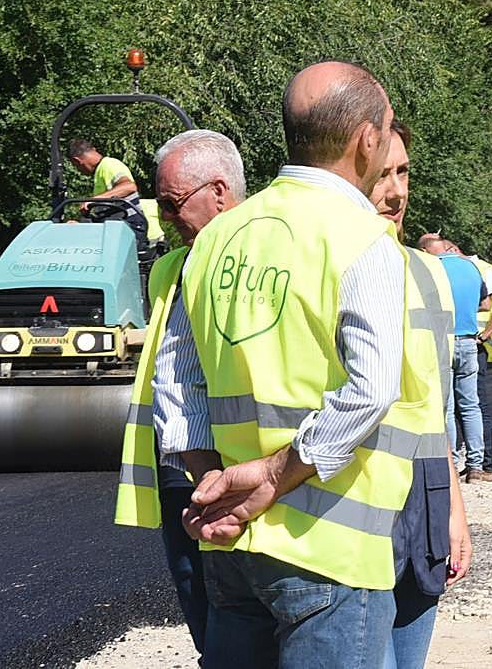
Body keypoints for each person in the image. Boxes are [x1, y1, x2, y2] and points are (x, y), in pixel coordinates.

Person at [174, 61, 433, 669]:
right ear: (367, 139)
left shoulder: (217, 237)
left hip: (231, 547)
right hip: (332, 552)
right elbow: (370, 391)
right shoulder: (364, 239)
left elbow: (176, 384)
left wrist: (213, 485)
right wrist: (272, 477)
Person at [114, 129, 247, 659]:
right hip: (184, 467)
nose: (165, 218)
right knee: (202, 603)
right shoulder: (172, 267)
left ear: (218, 191)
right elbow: (171, 375)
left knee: (243, 619)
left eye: (172, 204)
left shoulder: (259, 258)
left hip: (241, 470)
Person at [369, 118, 472, 669]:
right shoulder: (327, 265)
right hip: (356, 503)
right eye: (380, 174)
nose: (396, 191)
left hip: (423, 493)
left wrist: (453, 506)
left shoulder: (428, 273)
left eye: (403, 171)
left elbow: (435, 409)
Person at [420, 233, 492, 481]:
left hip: (443, 341)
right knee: (471, 405)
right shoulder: (472, 268)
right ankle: (476, 465)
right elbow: (485, 304)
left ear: (426, 251)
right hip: (470, 342)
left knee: (447, 407)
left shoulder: (431, 268)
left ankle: (451, 463)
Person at [67, 138, 150, 246]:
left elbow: (129, 187)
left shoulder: (110, 165)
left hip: (129, 228)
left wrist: (93, 200)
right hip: (115, 227)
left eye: (76, 166)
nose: (79, 170)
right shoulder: (100, 171)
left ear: (77, 161)